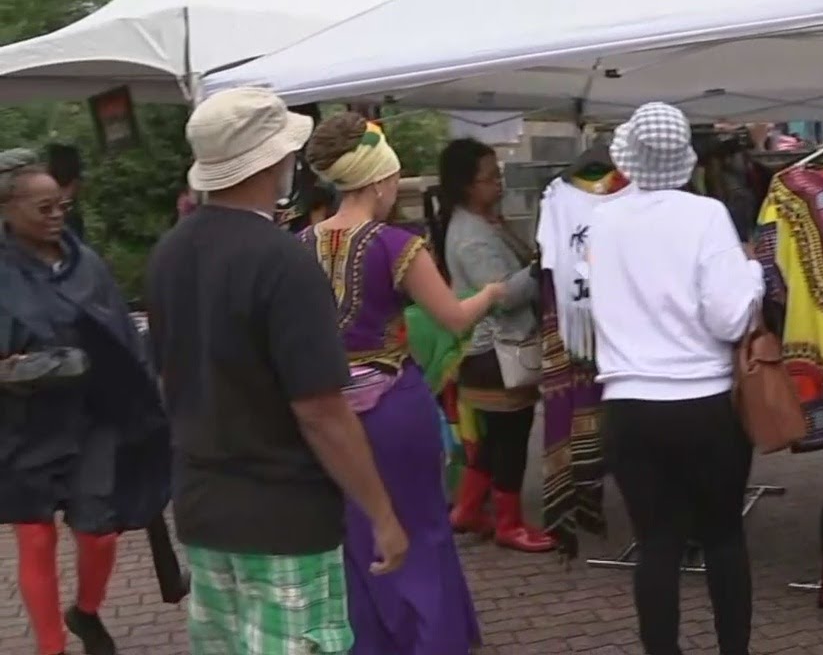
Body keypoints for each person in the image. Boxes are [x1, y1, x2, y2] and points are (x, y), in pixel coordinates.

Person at [145, 87, 408, 655]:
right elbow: (320, 410)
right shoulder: (283, 260)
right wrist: (381, 512)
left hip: (202, 505)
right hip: (282, 516)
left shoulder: (169, 252)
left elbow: (169, 377)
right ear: (273, 162)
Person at [301, 112, 496, 654]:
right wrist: (494, 294)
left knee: (358, 533)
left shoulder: (299, 245)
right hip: (394, 405)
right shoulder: (397, 244)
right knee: (422, 528)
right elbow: (455, 317)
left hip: (331, 408)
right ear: (382, 179)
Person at [587, 102, 763, 655]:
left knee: (656, 544)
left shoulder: (601, 220)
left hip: (629, 402)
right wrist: (753, 272)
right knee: (723, 538)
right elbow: (728, 315)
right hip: (704, 401)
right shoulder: (706, 215)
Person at [0, 148, 171, 655]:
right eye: (43, 208)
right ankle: (50, 647)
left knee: (99, 532)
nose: (56, 217)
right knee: (35, 538)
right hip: (22, 425)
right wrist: (26, 368)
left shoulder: (86, 263)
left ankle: (87, 611)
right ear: (7, 208)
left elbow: (119, 334)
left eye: (61, 206)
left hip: (93, 418)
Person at [439, 137, 555, 553]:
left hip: (491, 352)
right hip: (496, 352)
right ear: (468, 186)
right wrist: (543, 266)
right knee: (511, 436)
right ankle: (509, 524)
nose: (499, 184)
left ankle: (468, 510)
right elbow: (502, 296)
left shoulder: (486, 223)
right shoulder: (471, 236)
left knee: (495, 439)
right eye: (491, 178)